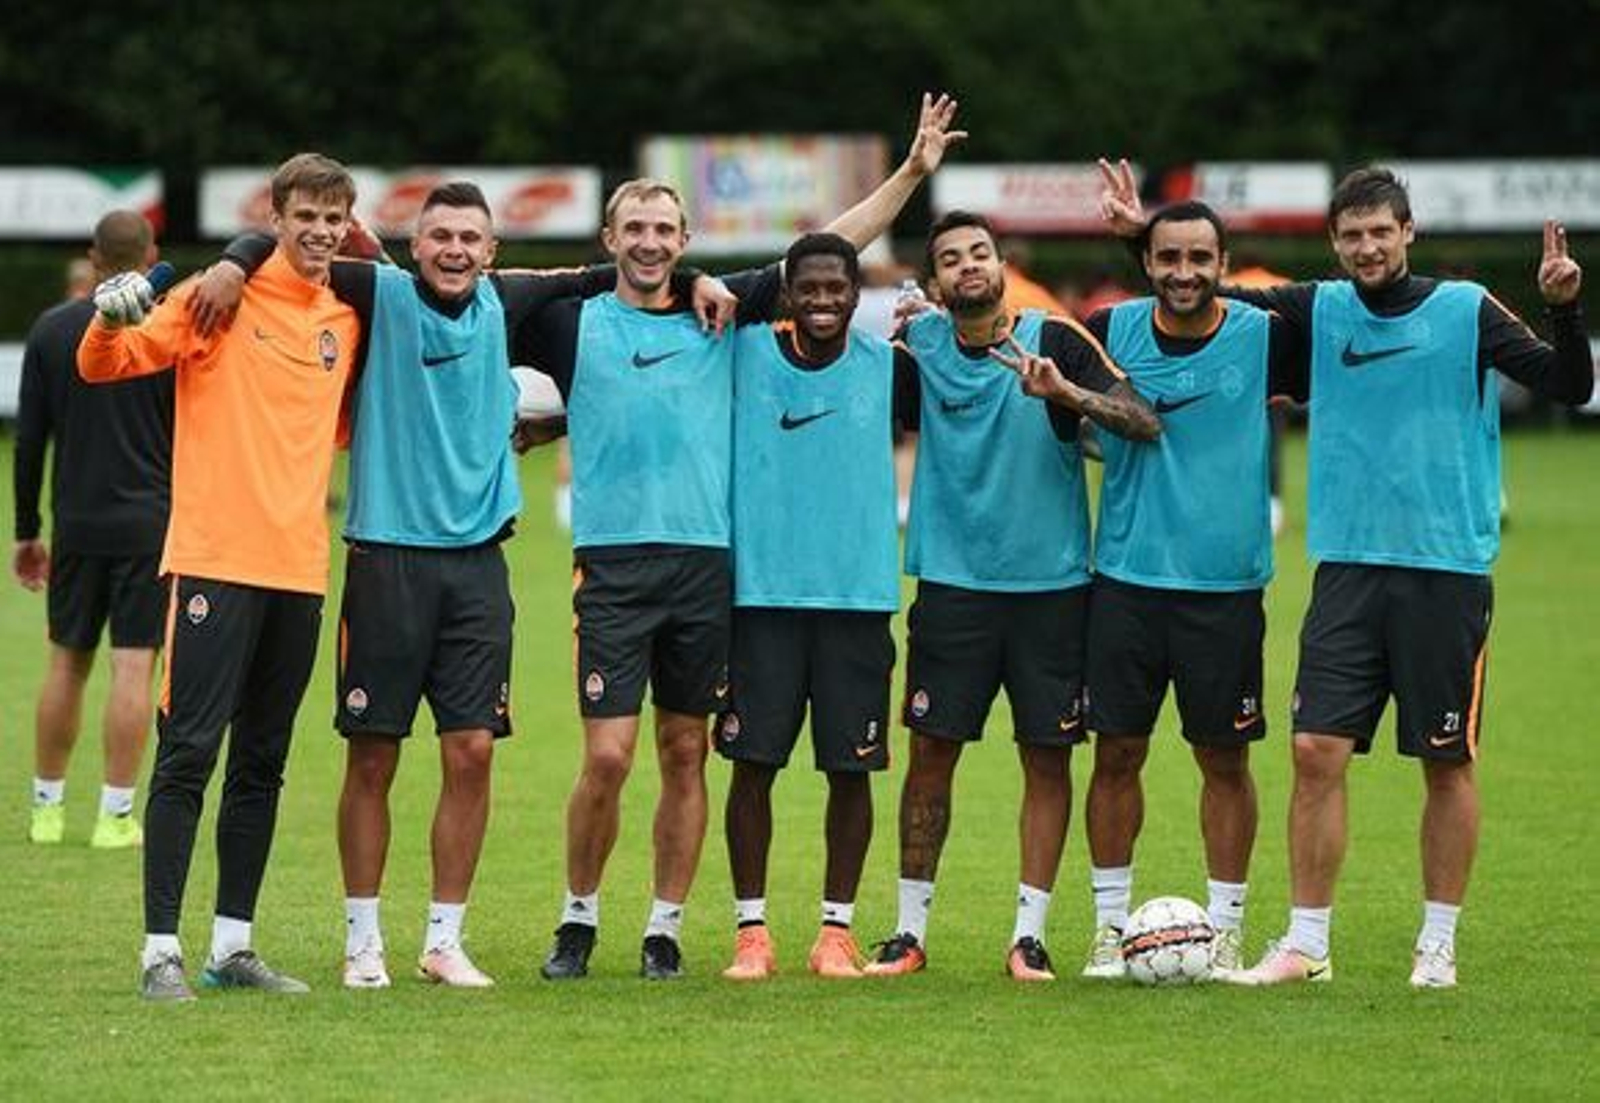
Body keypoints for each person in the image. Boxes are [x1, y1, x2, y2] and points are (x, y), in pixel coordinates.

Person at [192, 183, 730, 990]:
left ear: (491, 251)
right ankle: (363, 940)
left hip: (479, 565)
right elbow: (296, 247)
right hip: (386, 558)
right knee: (373, 756)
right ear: (414, 247)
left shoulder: (509, 301)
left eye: (469, 238)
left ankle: (443, 940)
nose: (454, 249)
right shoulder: (379, 292)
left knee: (472, 752)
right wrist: (236, 262)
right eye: (439, 236)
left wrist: (697, 279)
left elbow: (620, 271)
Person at [1102, 161, 1590, 988]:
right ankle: (1307, 943)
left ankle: (1437, 942)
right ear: (1334, 243)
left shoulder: (1466, 310)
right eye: (1353, 235)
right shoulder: (1318, 309)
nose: (1368, 248)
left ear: (1408, 232)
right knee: (1314, 749)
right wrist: (1137, 240)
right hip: (1347, 570)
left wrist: (1564, 308)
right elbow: (1200, 298)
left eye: (1380, 232)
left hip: (1445, 569)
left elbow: (1571, 385)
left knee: (1445, 759)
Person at [525, 94, 965, 981]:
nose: (650, 242)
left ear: (684, 238)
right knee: (607, 755)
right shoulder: (571, 318)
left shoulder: (720, 316)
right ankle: (578, 919)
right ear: (609, 239)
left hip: (707, 567)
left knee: (687, 750)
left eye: (664, 229)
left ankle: (664, 929)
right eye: (634, 228)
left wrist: (911, 174)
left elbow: (826, 253)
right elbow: (456, 312)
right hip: (611, 563)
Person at [78, 153, 363, 1002]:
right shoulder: (217, 295)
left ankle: (233, 946)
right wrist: (107, 320)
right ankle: (159, 951)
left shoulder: (344, 318)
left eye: (333, 218)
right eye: (305, 216)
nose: (319, 232)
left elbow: (336, 428)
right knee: (189, 753)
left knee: (263, 762)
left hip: (299, 570)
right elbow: (107, 362)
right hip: (213, 560)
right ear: (276, 218)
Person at [864, 210, 1160, 981]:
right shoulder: (919, 346)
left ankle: (1029, 937)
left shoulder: (1055, 339)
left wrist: (1068, 394)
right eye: (951, 258)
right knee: (930, 755)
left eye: (980, 253)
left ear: (1002, 265)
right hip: (951, 587)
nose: (969, 265)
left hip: (1052, 591)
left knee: (1046, 759)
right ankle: (907, 931)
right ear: (935, 284)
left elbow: (1143, 421)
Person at [1069, 200, 1306, 979]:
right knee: (1116, 753)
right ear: (1145, 260)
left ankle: (1227, 929)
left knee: (1224, 760)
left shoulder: (1264, 334)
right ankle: (1109, 929)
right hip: (1125, 580)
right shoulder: (1109, 329)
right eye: (1168, 256)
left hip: (1225, 586)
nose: (1184, 271)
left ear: (1223, 263)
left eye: (1200, 257)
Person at [715, 233, 921, 981]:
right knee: (752, 767)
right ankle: (752, 933)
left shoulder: (891, 367)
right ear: (788, 292)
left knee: (850, 771)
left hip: (856, 601)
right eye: (810, 288)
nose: (824, 301)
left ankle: (836, 931)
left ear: (857, 294)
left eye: (838, 288)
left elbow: (972, 400)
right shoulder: (744, 354)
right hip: (760, 600)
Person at [15, 211, 171, 850]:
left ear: (94, 256)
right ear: (151, 254)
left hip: (77, 522)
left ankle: (46, 810)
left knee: (67, 662)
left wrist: (27, 529)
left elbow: (30, 441)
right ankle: (115, 815)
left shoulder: (52, 329)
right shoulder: (168, 325)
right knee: (133, 666)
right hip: (150, 523)